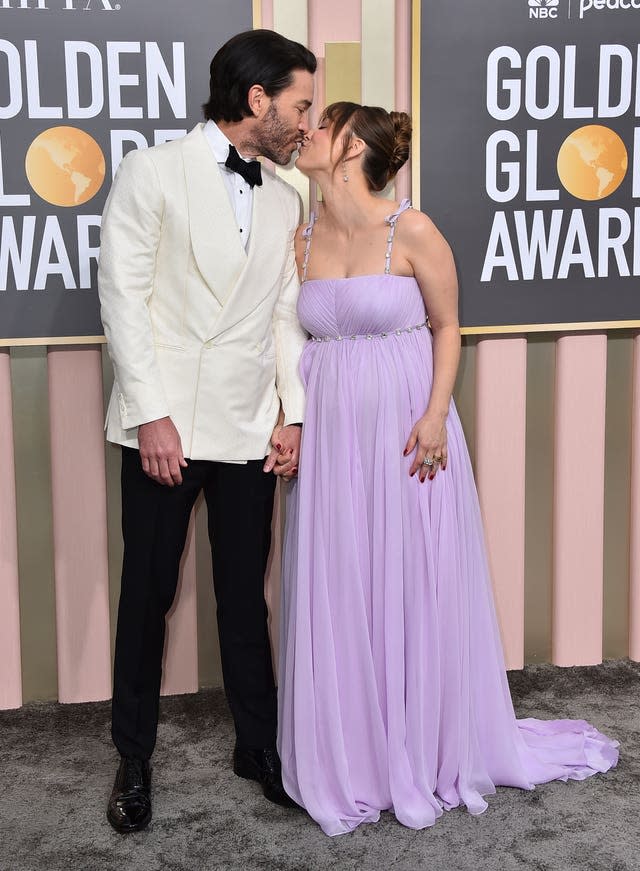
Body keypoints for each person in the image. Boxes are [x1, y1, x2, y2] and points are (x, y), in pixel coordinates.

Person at [277, 102, 619, 836]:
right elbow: (287, 340)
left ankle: (424, 744)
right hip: (335, 441)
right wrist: (293, 419)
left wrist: (435, 413)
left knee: (409, 580)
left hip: (407, 431)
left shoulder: (414, 229)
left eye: (323, 124)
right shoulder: (301, 235)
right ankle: (357, 756)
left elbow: (447, 324)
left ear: (352, 150)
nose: (306, 131)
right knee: (346, 582)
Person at [98, 29, 316, 834]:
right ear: (256, 100)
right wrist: (150, 413)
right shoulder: (152, 171)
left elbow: (287, 316)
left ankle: (258, 748)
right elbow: (123, 297)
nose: (306, 121)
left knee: (241, 598)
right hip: (168, 424)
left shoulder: (290, 192)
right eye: (299, 104)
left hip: (250, 424)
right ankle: (133, 756)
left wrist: (292, 413)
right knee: (147, 595)